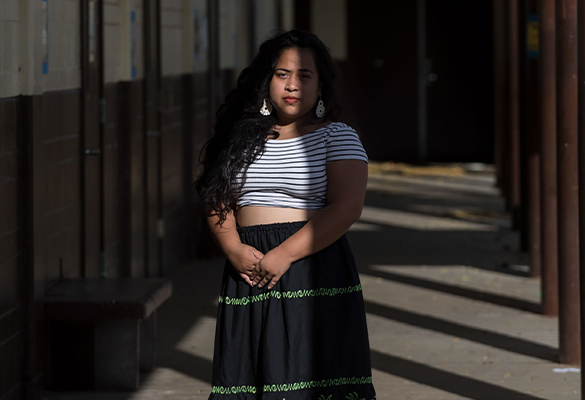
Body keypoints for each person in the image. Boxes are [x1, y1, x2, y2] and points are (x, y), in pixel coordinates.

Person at [195, 29, 376, 400]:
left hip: (312, 266)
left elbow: (346, 208)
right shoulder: (240, 140)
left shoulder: (337, 136)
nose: (292, 86)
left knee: (309, 377)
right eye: (282, 75)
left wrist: (283, 255)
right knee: (254, 377)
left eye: (304, 76)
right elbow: (217, 198)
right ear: (267, 81)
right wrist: (232, 248)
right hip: (249, 270)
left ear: (321, 85)